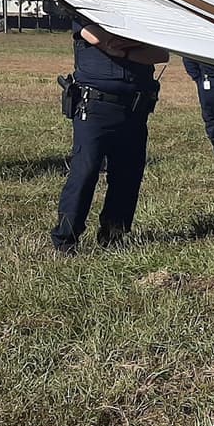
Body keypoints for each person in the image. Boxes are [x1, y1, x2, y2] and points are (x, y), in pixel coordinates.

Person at [51, 17, 167, 254]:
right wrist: (136, 45)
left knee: (128, 175)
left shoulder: (139, 15)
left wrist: (121, 50)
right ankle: (66, 241)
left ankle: (113, 236)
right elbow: (99, 38)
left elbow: (160, 54)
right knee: (85, 171)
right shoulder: (83, 9)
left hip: (135, 107)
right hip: (95, 106)